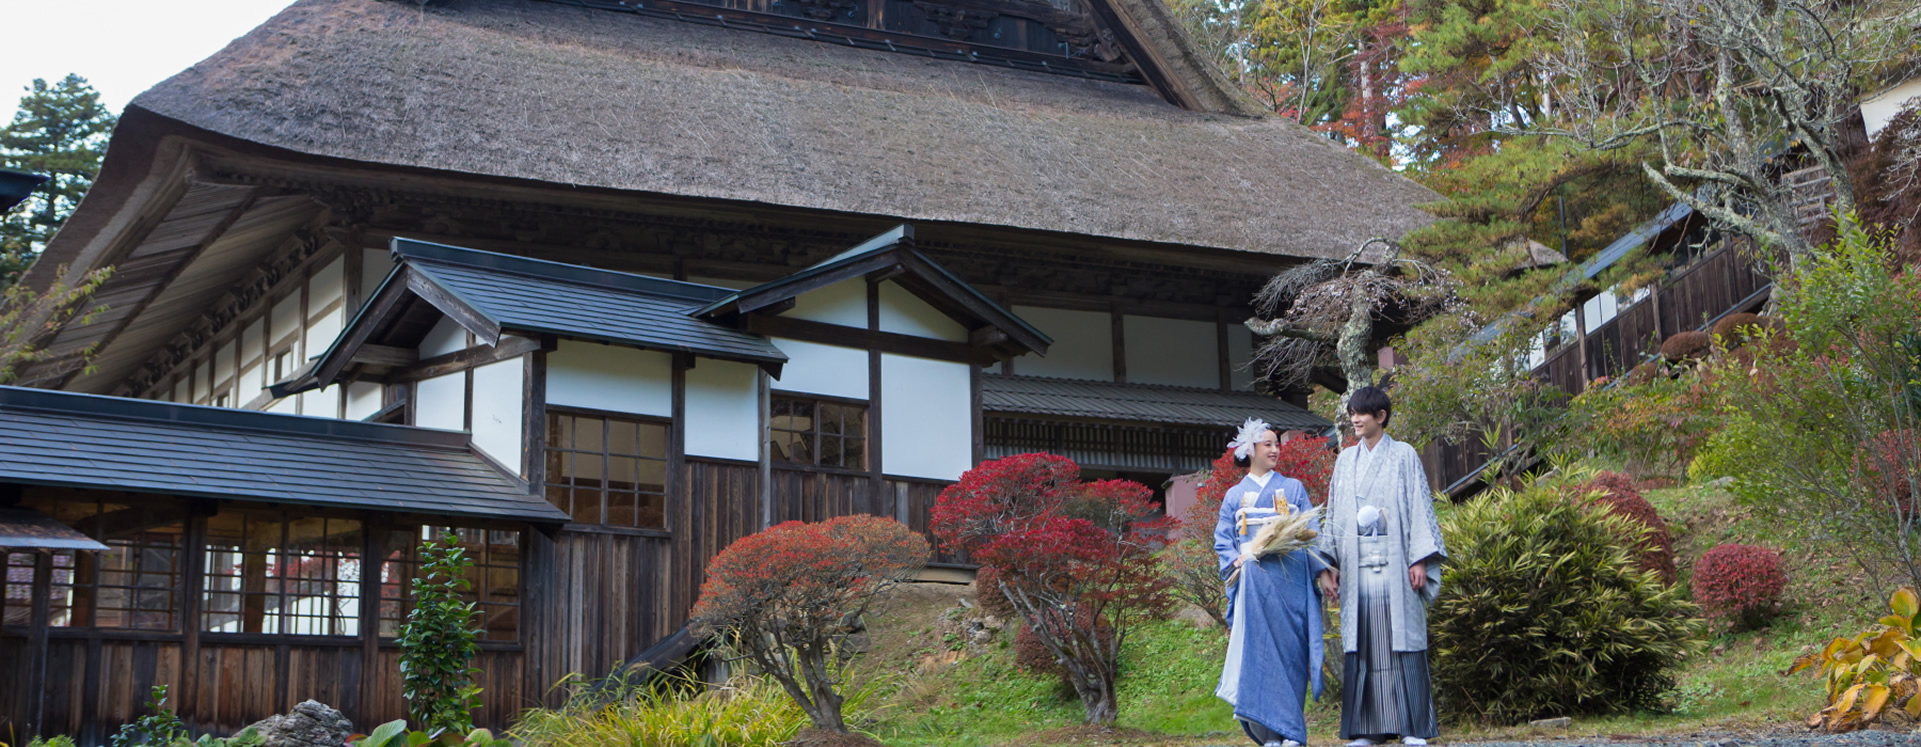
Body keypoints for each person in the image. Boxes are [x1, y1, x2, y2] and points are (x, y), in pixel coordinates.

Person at [1315, 386, 1445, 747]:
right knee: (1366, 641)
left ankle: (1412, 727)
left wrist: (1419, 557)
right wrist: (1330, 564)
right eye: (1353, 413)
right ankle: (1369, 729)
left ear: (1381, 417)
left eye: (1362, 413)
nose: (1355, 419)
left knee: (1400, 641)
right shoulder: (1345, 460)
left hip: (1396, 561)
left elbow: (1420, 506)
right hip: (1357, 566)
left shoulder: (1403, 455)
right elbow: (1335, 516)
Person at [1214, 418, 1326, 747]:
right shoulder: (1235, 495)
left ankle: (1291, 730)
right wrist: (1238, 560)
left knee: (1291, 654)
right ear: (1250, 450)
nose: (1276, 449)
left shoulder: (1293, 489)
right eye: (1268, 444)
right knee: (1260, 654)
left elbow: (1313, 533)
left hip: (1291, 581)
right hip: (1254, 584)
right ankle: (1269, 732)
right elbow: (1224, 540)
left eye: (1278, 443)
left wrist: (1322, 569)